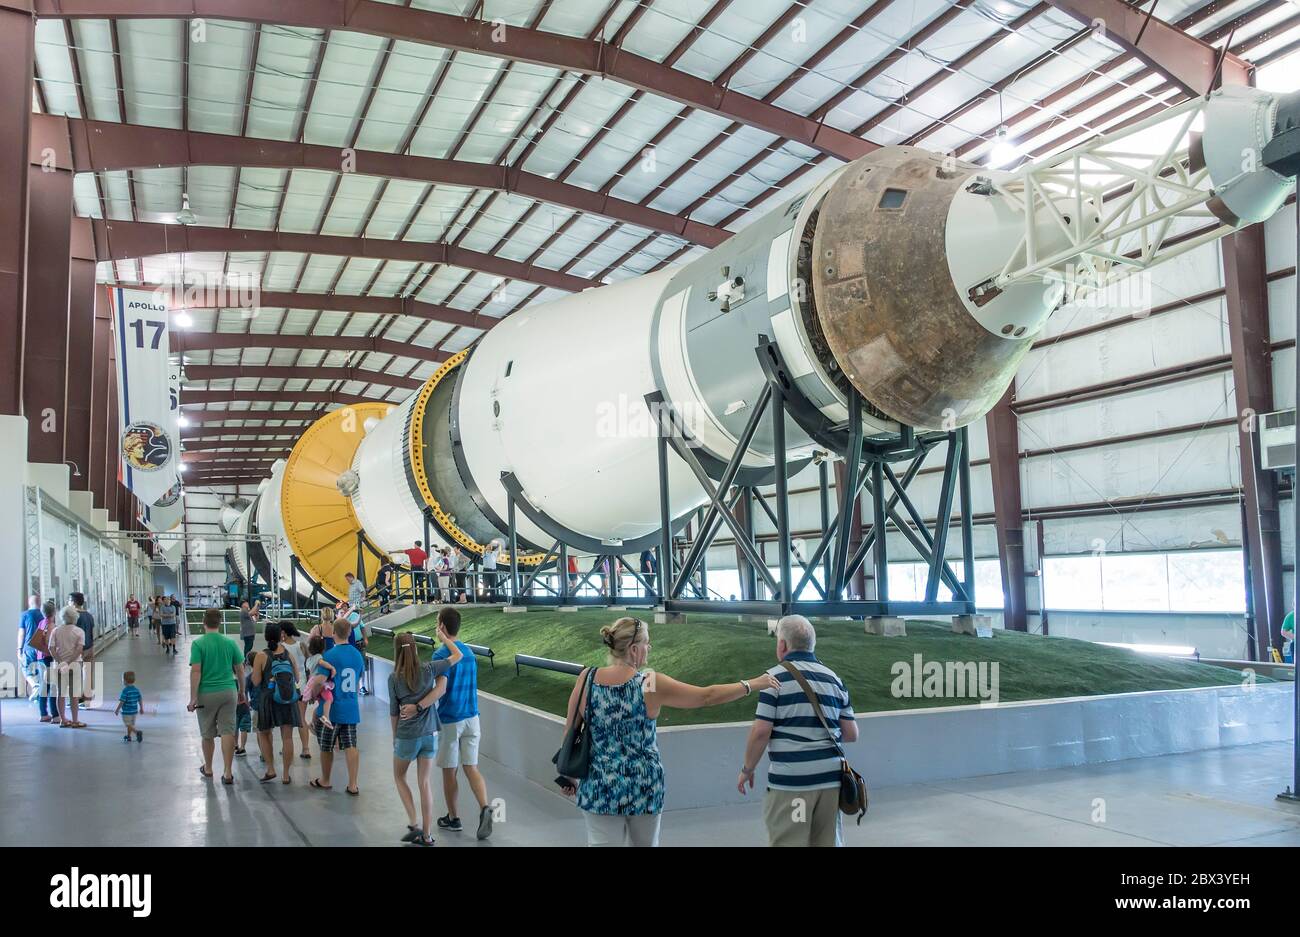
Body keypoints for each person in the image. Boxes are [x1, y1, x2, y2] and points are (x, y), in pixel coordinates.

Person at [559, 617, 779, 847]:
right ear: (634, 649)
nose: (649, 649)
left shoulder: (587, 679)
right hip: (643, 787)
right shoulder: (649, 683)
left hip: (598, 787)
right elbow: (707, 696)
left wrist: (569, 776)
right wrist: (752, 684)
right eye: (647, 643)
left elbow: (569, 733)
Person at [736, 615, 858, 847]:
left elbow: (761, 731)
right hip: (831, 783)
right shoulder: (834, 679)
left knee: (790, 841)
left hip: (793, 785)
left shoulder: (773, 679)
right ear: (812, 643)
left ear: (782, 645)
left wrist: (747, 769)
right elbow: (851, 733)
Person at [390, 628, 463, 846]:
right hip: (429, 734)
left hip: (407, 736)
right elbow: (458, 655)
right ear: (414, 648)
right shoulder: (429, 669)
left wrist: (395, 737)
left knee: (399, 776)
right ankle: (427, 834)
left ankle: (414, 823)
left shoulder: (394, 678)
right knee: (424, 783)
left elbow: (394, 713)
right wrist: (445, 639)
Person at [430, 607, 493, 839]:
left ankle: (453, 817)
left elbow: (440, 688)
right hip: (472, 718)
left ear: (442, 627)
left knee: (449, 770)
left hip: (450, 720)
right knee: (471, 767)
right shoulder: (469, 653)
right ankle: (485, 806)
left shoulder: (440, 655)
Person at [188, 607, 246, 784]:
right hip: (229, 692)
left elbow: (196, 671)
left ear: (203, 622)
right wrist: (242, 690)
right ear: (220, 623)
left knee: (207, 733)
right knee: (228, 731)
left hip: (206, 694)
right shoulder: (230, 643)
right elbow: (240, 669)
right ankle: (228, 772)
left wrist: (193, 697)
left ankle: (209, 768)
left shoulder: (198, 644)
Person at [310, 618, 366, 795]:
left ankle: (325, 780)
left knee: (326, 746)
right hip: (351, 707)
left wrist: (313, 693)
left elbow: (319, 680)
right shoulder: (357, 655)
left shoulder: (329, 656)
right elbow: (358, 679)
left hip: (331, 710)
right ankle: (353, 784)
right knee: (351, 744)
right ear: (350, 633)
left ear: (333, 633)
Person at [250, 622, 301, 784]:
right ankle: (286, 775)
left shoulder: (261, 656)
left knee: (264, 733)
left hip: (268, 700)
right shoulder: (288, 654)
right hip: (287, 699)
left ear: (266, 637)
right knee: (287, 738)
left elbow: (256, 681)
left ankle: (271, 769)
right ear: (281, 636)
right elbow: (298, 678)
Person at [48, 606, 87, 729]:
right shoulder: (79, 631)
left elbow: (51, 648)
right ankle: (75, 721)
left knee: (61, 693)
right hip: (74, 664)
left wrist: (60, 661)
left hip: (60, 666)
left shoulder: (56, 631)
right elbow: (79, 649)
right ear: (75, 617)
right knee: (74, 694)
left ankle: (63, 719)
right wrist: (69, 662)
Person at [281, 621, 313, 759]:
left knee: (286, 720)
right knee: (301, 718)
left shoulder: (281, 647)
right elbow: (308, 667)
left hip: (289, 686)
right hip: (304, 685)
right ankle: (306, 749)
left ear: (284, 632)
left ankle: (286, 747)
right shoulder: (301, 645)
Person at [17, 595, 45, 714]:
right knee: (40, 670)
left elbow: (21, 633)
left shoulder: (25, 615)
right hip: (41, 647)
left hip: (28, 647)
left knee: (26, 668)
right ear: (40, 602)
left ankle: (35, 685)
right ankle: (39, 694)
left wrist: (19, 648)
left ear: (29, 602)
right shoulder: (44, 614)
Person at [70, 592, 95, 703]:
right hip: (89, 647)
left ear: (73, 602)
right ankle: (88, 696)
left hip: (77, 649)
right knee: (87, 672)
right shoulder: (89, 615)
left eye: (69, 600)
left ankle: (77, 697)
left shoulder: (73, 616)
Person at [115, 671, 144, 743]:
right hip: (134, 711)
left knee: (128, 725)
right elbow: (140, 699)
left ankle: (137, 732)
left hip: (127, 712)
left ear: (125, 681)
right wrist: (141, 708)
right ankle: (128, 736)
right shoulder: (136, 690)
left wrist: (117, 709)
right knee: (130, 725)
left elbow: (122, 701)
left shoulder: (125, 691)